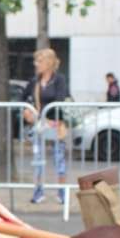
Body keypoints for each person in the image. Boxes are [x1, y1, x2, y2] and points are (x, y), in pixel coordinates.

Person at [23, 47, 70, 206]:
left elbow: (60, 98)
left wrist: (51, 118)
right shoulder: (35, 81)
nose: (37, 64)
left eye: (40, 61)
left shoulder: (59, 79)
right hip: (39, 125)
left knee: (59, 159)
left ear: (49, 62)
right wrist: (27, 111)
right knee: (38, 159)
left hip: (56, 124)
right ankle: (38, 191)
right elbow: (24, 98)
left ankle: (62, 192)